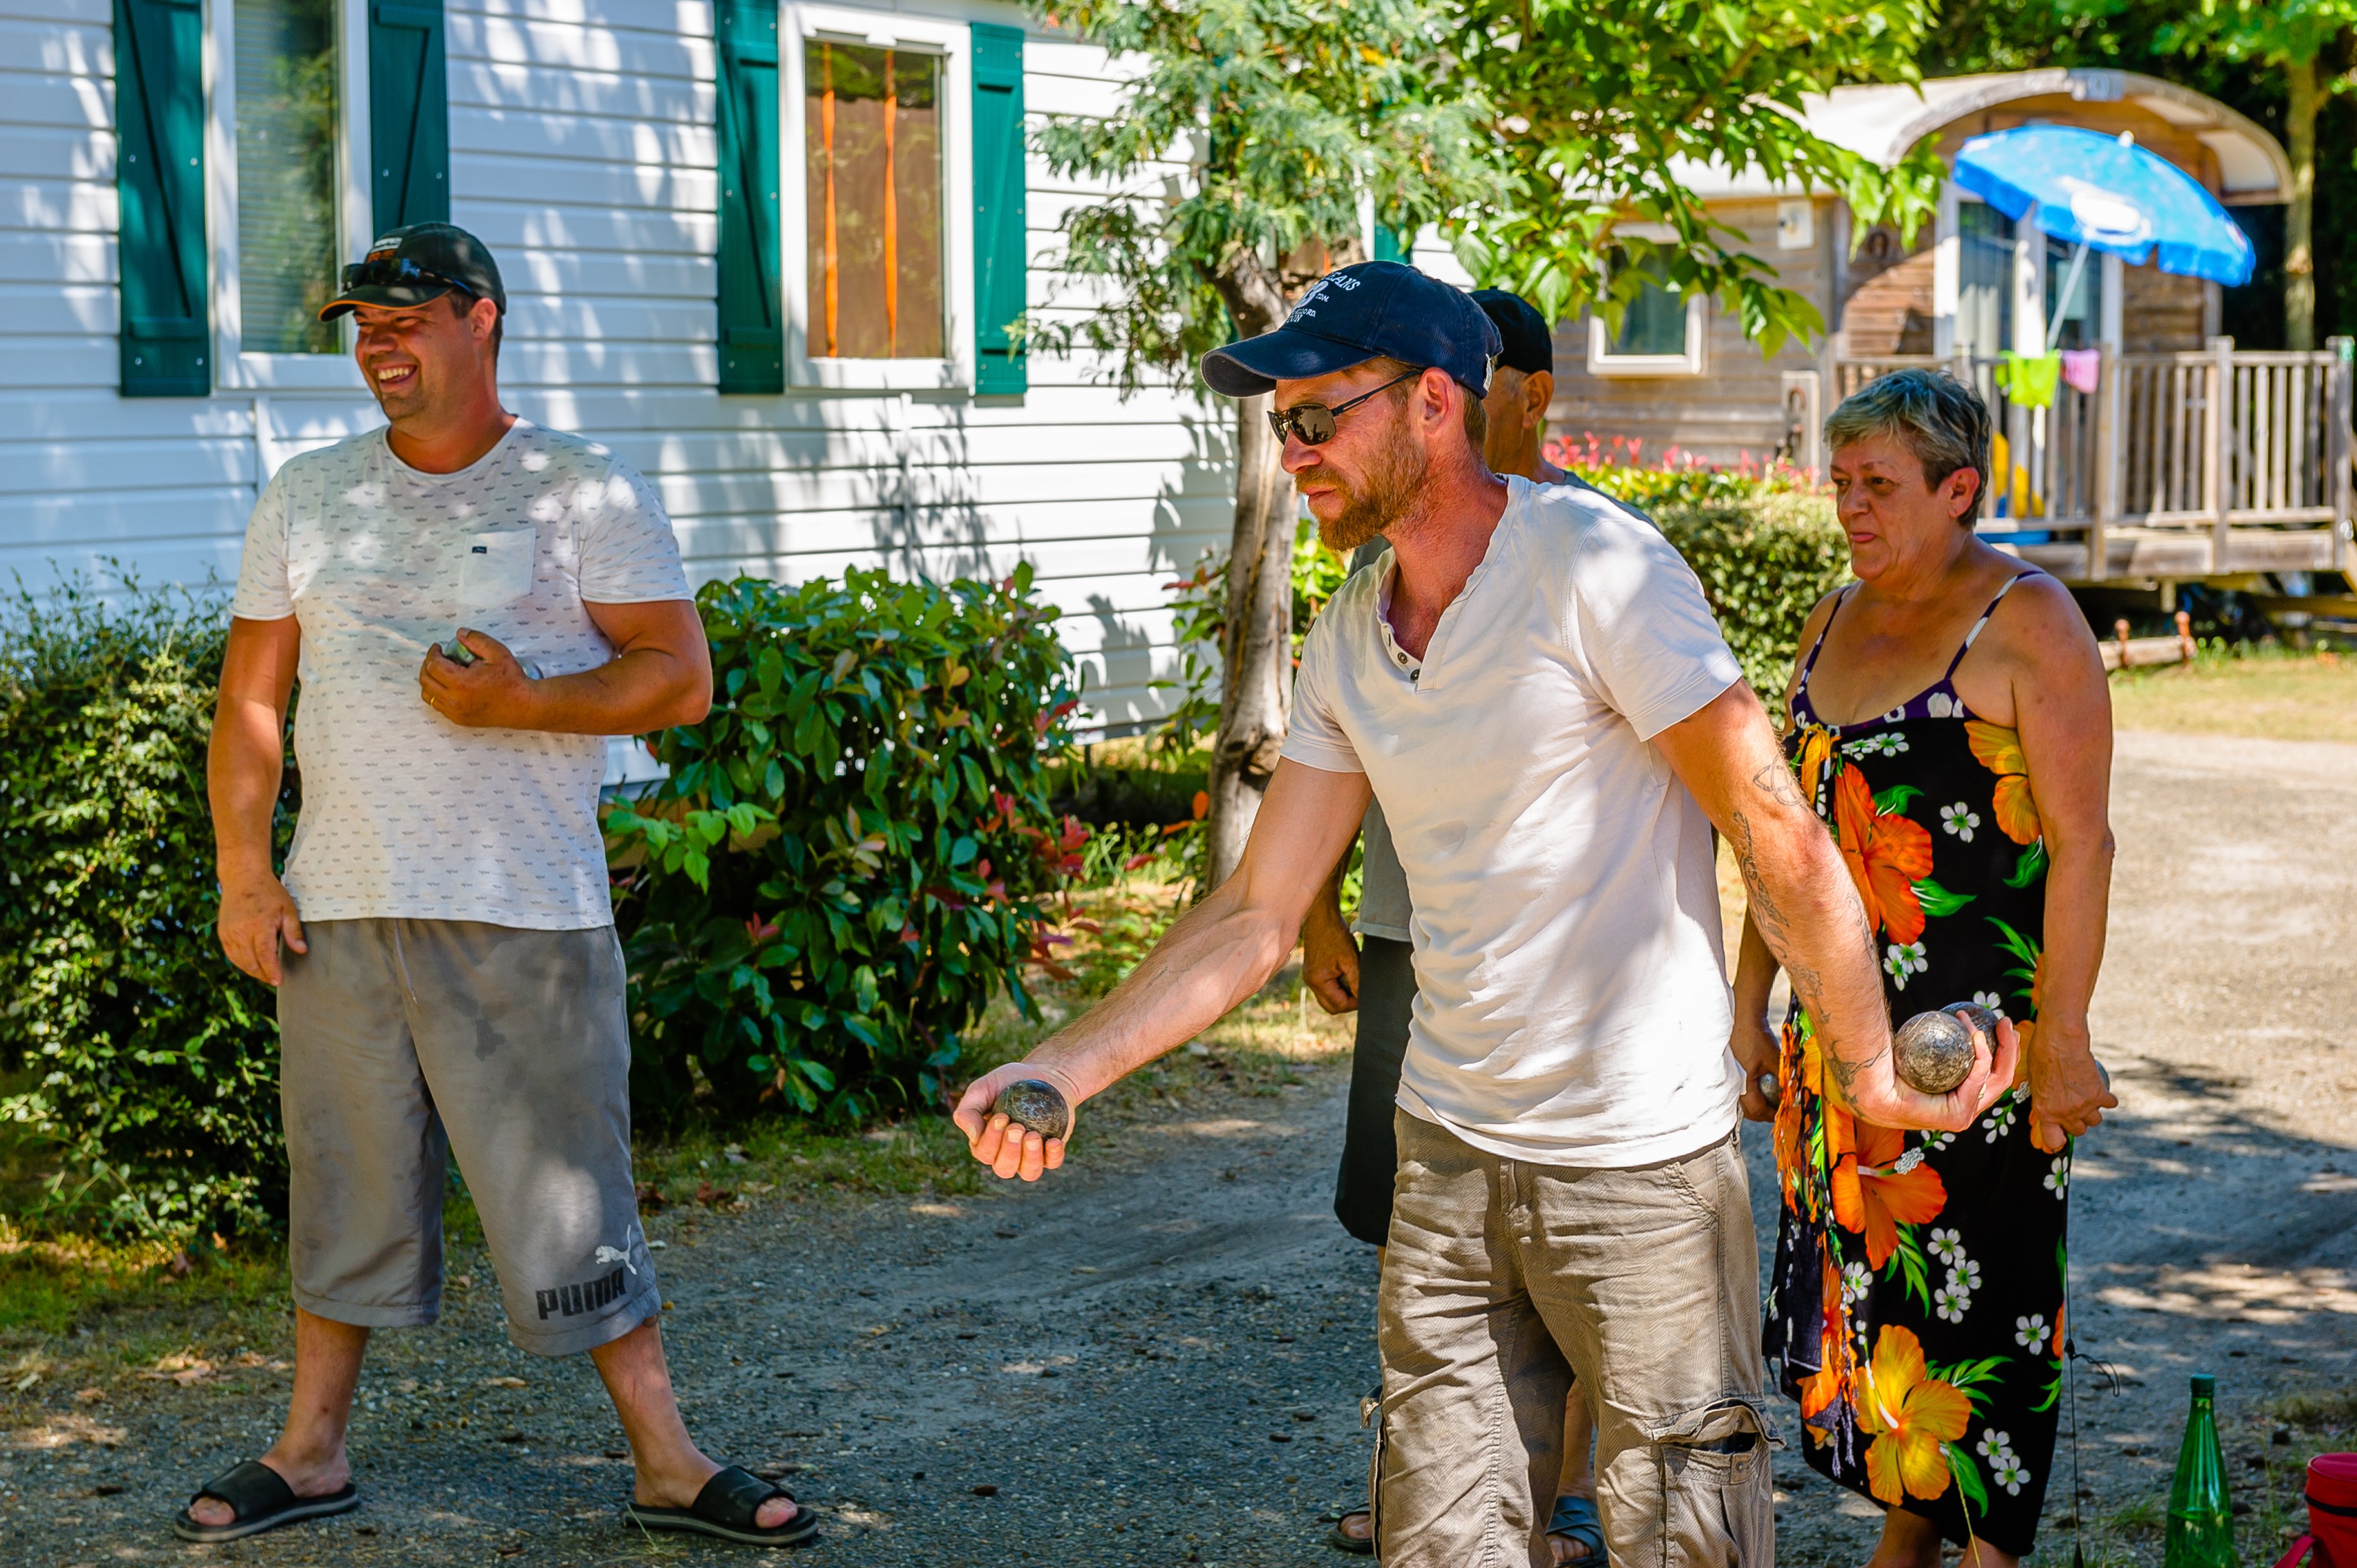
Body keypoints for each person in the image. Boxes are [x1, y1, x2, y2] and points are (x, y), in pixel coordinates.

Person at [953, 260, 2021, 1567]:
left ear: (1434, 406)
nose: (1292, 453)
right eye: (1279, 423)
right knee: (1439, 1545)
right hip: (1448, 1157)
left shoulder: (1594, 569)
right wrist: (1065, 1063)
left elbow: (1774, 833)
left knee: (1684, 1543)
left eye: (1317, 417)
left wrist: (1866, 1067)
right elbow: (1255, 910)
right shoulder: (1353, 629)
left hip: (1638, 1171)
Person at [189, 223, 812, 1549]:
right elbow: (252, 701)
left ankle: (665, 1457)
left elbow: (679, 678)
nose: (378, 345)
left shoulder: (581, 492)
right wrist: (247, 872)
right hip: (339, 907)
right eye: (363, 324)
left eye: (405, 320)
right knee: (342, 1186)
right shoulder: (306, 494)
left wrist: (528, 702)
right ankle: (306, 1454)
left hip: (525, 908)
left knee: (570, 1197)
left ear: (482, 319)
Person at [1742, 369, 2116, 1568]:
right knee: (1881, 1301)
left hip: (1978, 1053)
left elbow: (2084, 843)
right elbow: (1780, 833)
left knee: (1985, 1306)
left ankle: (1987, 1551)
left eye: (1880, 486)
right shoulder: (1826, 616)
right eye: (1841, 482)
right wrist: (1747, 1003)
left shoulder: (2026, 619)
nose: (1849, 506)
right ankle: (1905, 1537)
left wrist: (2063, 1041)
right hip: (1837, 1044)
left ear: (1960, 491)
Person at [1304, 287, 1619, 1564]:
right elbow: (1336, 757)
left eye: (1488, 373)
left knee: (1577, 1248)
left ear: (1524, 392)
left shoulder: (1596, 555)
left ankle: (1573, 1487)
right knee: (1414, 1227)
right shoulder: (1382, 574)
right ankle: (1425, 1475)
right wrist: (1316, 908)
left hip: (1566, 972)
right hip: (1402, 933)